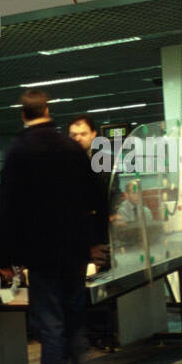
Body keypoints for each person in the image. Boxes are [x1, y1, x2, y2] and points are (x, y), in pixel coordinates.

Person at [0, 91, 99, 364]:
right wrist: (96, 242)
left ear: (22, 115)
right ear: (48, 110)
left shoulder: (18, 152)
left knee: (50, 322)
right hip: (76, 251)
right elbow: (95, 196)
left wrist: (3, 257)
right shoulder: (71, 148)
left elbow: (8, 209)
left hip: (41, 253)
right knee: (73, 317)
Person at [69, 114, 117, 271]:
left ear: (93, 134)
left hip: (100, 235)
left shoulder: (104, 161)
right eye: (73, 135)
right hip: (74, 240)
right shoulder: (63, 162)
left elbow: (104, 198)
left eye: (83, 134)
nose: (78, 138)